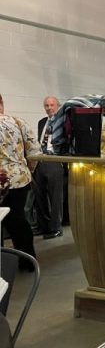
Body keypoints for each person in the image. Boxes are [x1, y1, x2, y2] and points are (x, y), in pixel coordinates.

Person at [0, 94, 41, 267]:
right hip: (18, 179)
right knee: (17, 219)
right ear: (2, 103)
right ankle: (27, 261)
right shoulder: (18, 122)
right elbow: (34, 151)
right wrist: (27, 170)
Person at [33, 96, 65, 239]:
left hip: (55, 160)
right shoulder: (42, 122)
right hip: (40, 161)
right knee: (39, 196)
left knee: (55, 197)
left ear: (58, 106)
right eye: (46, 105)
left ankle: (56, 227)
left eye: (52, 105)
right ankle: (43, 226)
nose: (49, 108)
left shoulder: (63, 122)